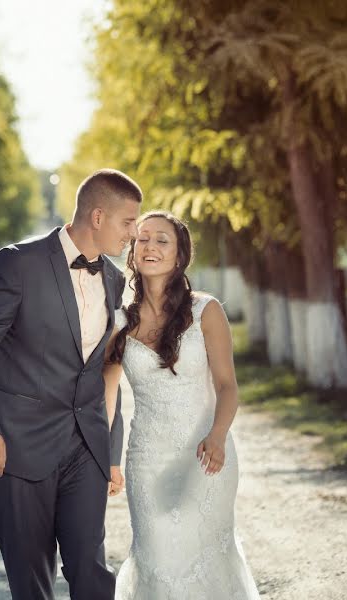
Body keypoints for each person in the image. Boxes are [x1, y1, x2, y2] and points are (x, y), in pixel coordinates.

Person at [0, 168, 142, 599]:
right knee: (31, 577)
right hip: (18, 447)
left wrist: (111, 451)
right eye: (127, 222)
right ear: (98, 217)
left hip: (86, 448)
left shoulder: (113, 280)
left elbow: (103, 373)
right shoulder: (19, 263)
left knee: (91, 570)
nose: (134, 233)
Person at [104, 210, 261, 599]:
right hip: (147, 458)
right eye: (142, 239)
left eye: (162, 240)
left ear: (179, 255)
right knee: (157, 556)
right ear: (133, 251)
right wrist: (108, 458)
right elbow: (105, 398)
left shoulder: (206, 310)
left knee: (205, 555)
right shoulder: (119, 323)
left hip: (206, 452)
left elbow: (227, 386)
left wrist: (218, 436)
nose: (150, 247)